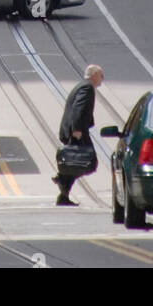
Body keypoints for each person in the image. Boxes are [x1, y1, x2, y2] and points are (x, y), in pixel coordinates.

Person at [53, 64, 104, 205]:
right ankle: (62, 180)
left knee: (76, 162)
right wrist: (77, 130)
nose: (102, 79)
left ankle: (63, 189)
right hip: (76, 131)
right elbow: (78, 108)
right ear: (94, 75)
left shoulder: (83, 86)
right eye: (101, 75)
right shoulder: (87, 88)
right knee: (85, 161)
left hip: (76, 130)